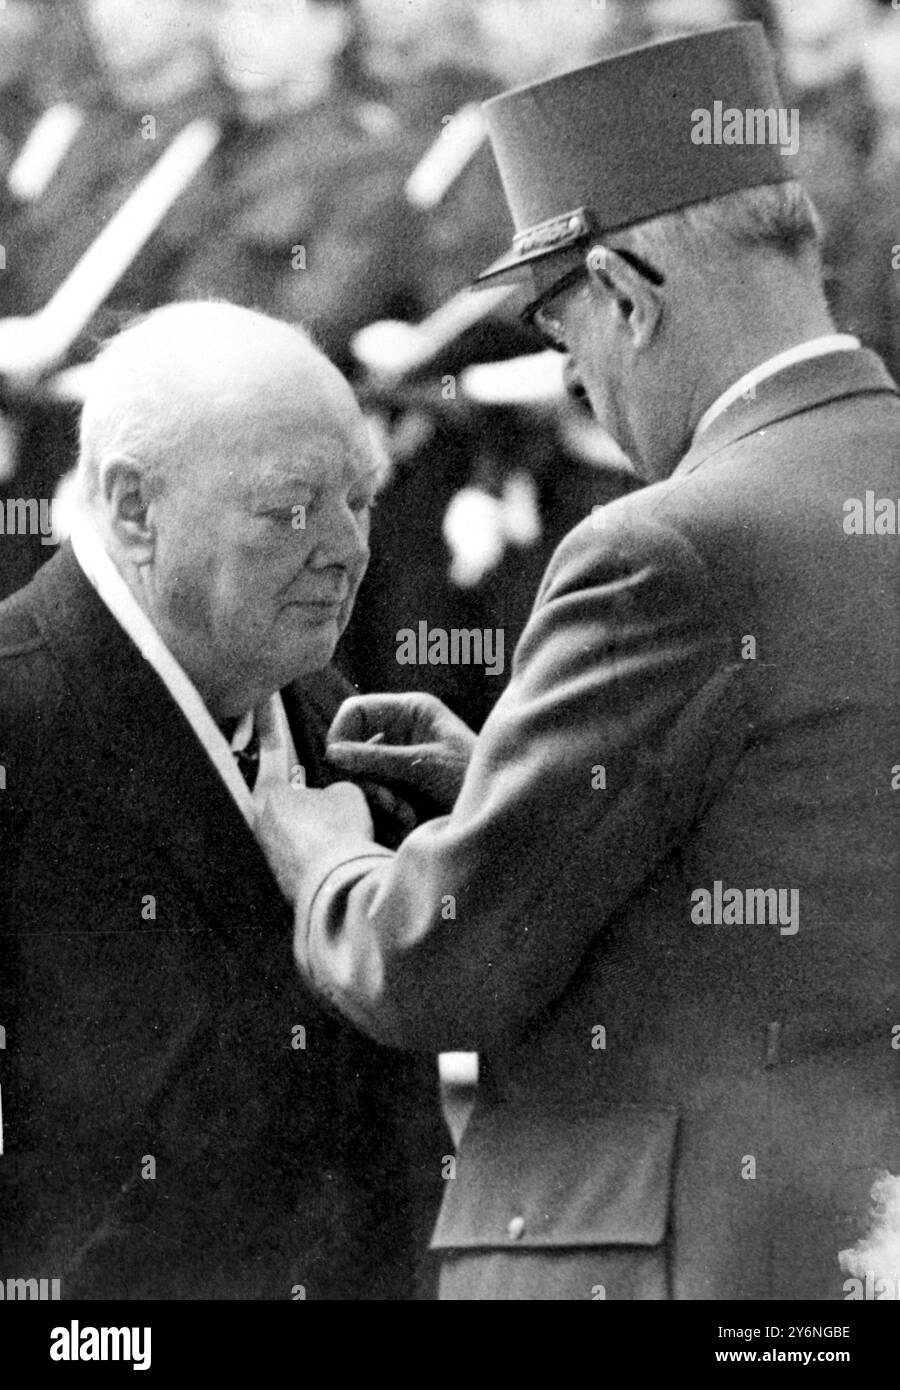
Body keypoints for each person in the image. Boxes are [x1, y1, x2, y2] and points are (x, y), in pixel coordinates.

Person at [260, 24, 900, 1299]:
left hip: (672, 1257)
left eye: (567, 341)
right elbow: (778, 817)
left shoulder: (666, 547)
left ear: (624, 291)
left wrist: (321, 849)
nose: (583, 385)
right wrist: (504, 784)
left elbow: (435, 960)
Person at [0, 301, 443, 1300]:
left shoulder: (340, 725)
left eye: (361, 501)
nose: (345, 549)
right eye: (291, 507)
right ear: (132, 507)